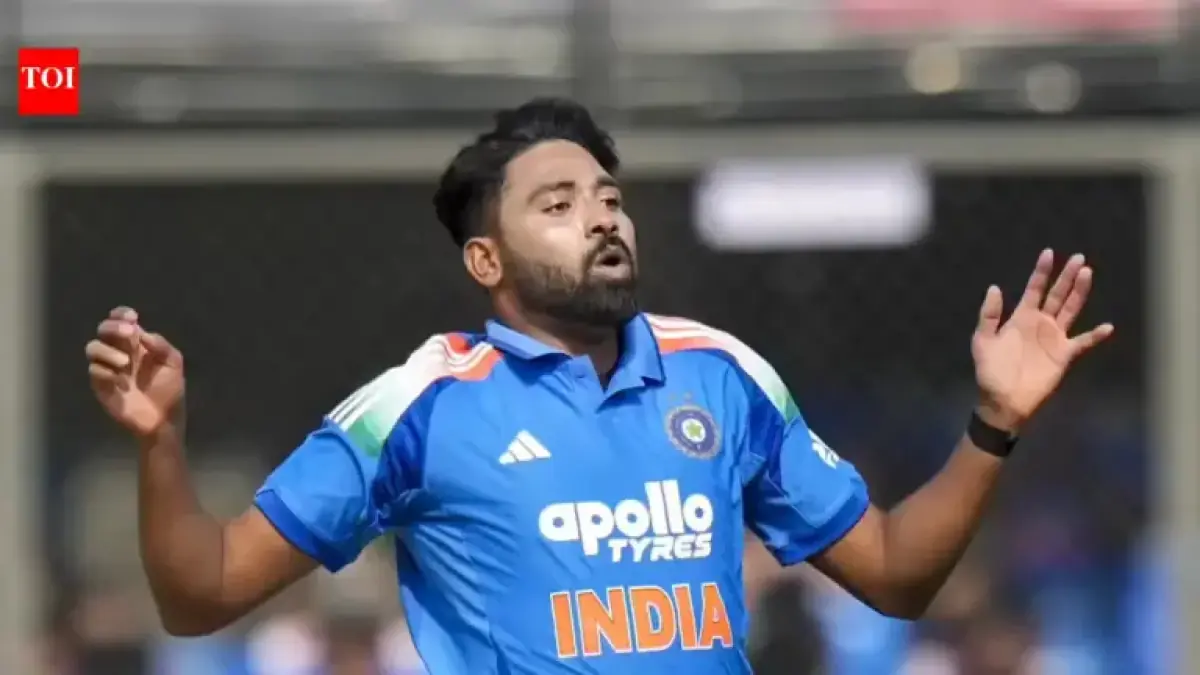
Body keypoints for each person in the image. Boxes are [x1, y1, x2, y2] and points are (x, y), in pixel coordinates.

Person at [84, 98, 1113, 674]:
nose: (603, 217)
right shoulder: (421, 404)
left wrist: (993, 423)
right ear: (486, 260)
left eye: (611, 197)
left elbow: (894, 574)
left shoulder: (721, 374)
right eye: (560, 204)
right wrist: (160, 442)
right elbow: (201, 594)